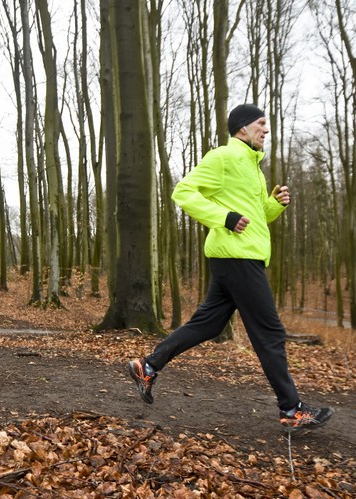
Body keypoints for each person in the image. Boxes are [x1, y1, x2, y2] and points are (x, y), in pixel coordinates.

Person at [128, 104, 334, 430]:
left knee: (208, 325)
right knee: (269, 332)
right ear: (242, 128)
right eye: (261, 124)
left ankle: (148, 367)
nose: (266, 130)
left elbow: (255, 216)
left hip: (236, 255)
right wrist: (224, 218)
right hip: (238, 257)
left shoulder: (253, 166)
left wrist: (273, 205)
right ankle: (292, 408)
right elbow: (183, 192)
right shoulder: (224, 156)